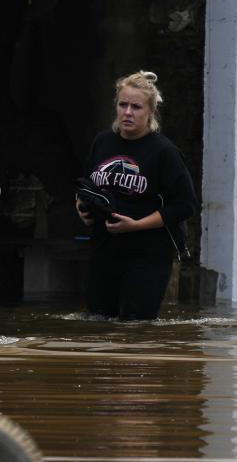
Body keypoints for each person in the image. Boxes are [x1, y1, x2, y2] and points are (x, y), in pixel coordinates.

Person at [75, 70, 196, 320]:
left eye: (136, 107)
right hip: (104, 249)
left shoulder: (164, 152)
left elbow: (185, 205)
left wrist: (137, 225)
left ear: (151, 112)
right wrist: (80, 206)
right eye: (123, 105)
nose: (128, 112)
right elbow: (86, 184)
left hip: (148, 254)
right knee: (96, 322)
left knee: (136, 327)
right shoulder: (102, 142)